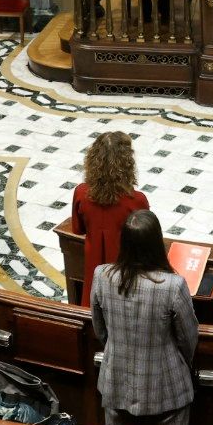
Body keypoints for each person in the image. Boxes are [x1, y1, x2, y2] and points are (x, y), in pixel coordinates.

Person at [90, 209, 199, 425]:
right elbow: (189, 339)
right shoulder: (172, 285)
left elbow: (100, 330)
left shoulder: (101, 276)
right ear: (156, 243)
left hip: (116, 384)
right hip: (167, 390)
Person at [71, 131, 149, 306]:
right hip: (125, 275)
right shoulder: (137, 200)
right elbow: (146, 242)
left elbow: (78, 229)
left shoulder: (81, 193)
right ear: (127, 163)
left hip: (94, 274)